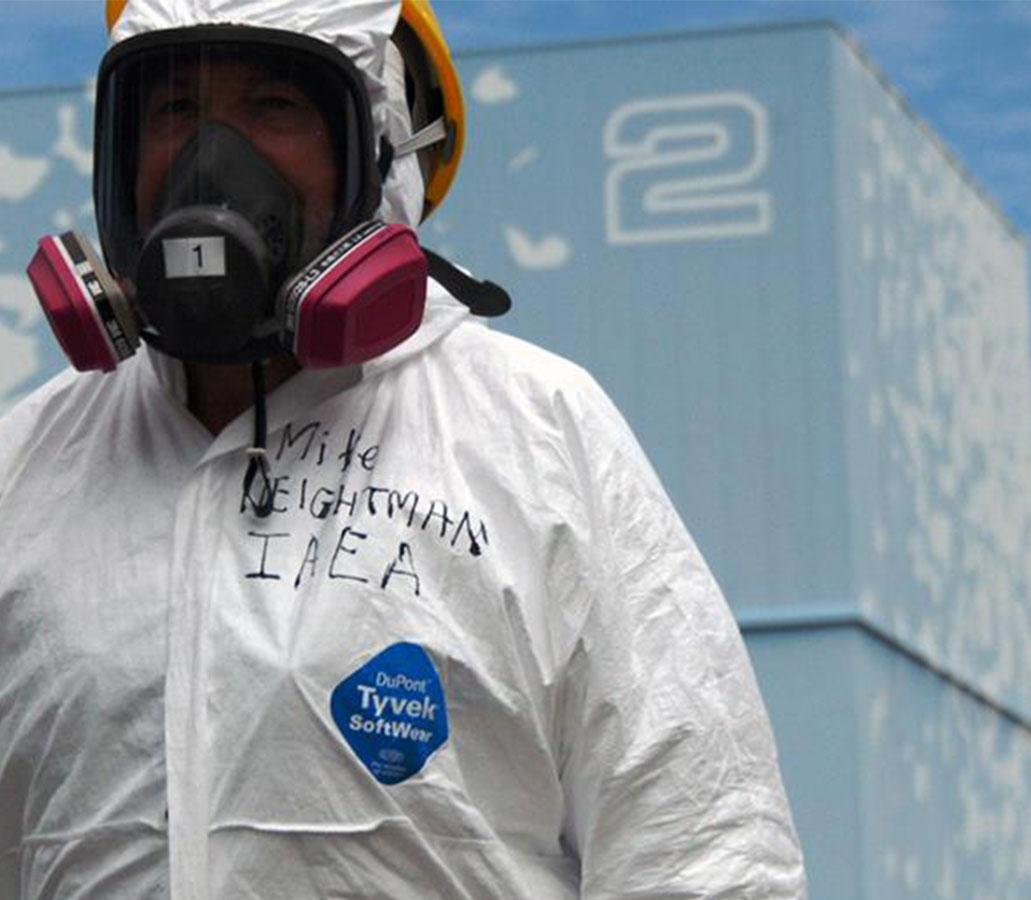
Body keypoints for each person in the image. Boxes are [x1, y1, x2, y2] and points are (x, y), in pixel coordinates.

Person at [0, 2, 806, 898]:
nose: (210, 163)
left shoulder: (533, 432)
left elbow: (702, 850)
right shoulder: (29, 465)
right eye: (174, 113)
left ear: (379, 152)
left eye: (275, 107)